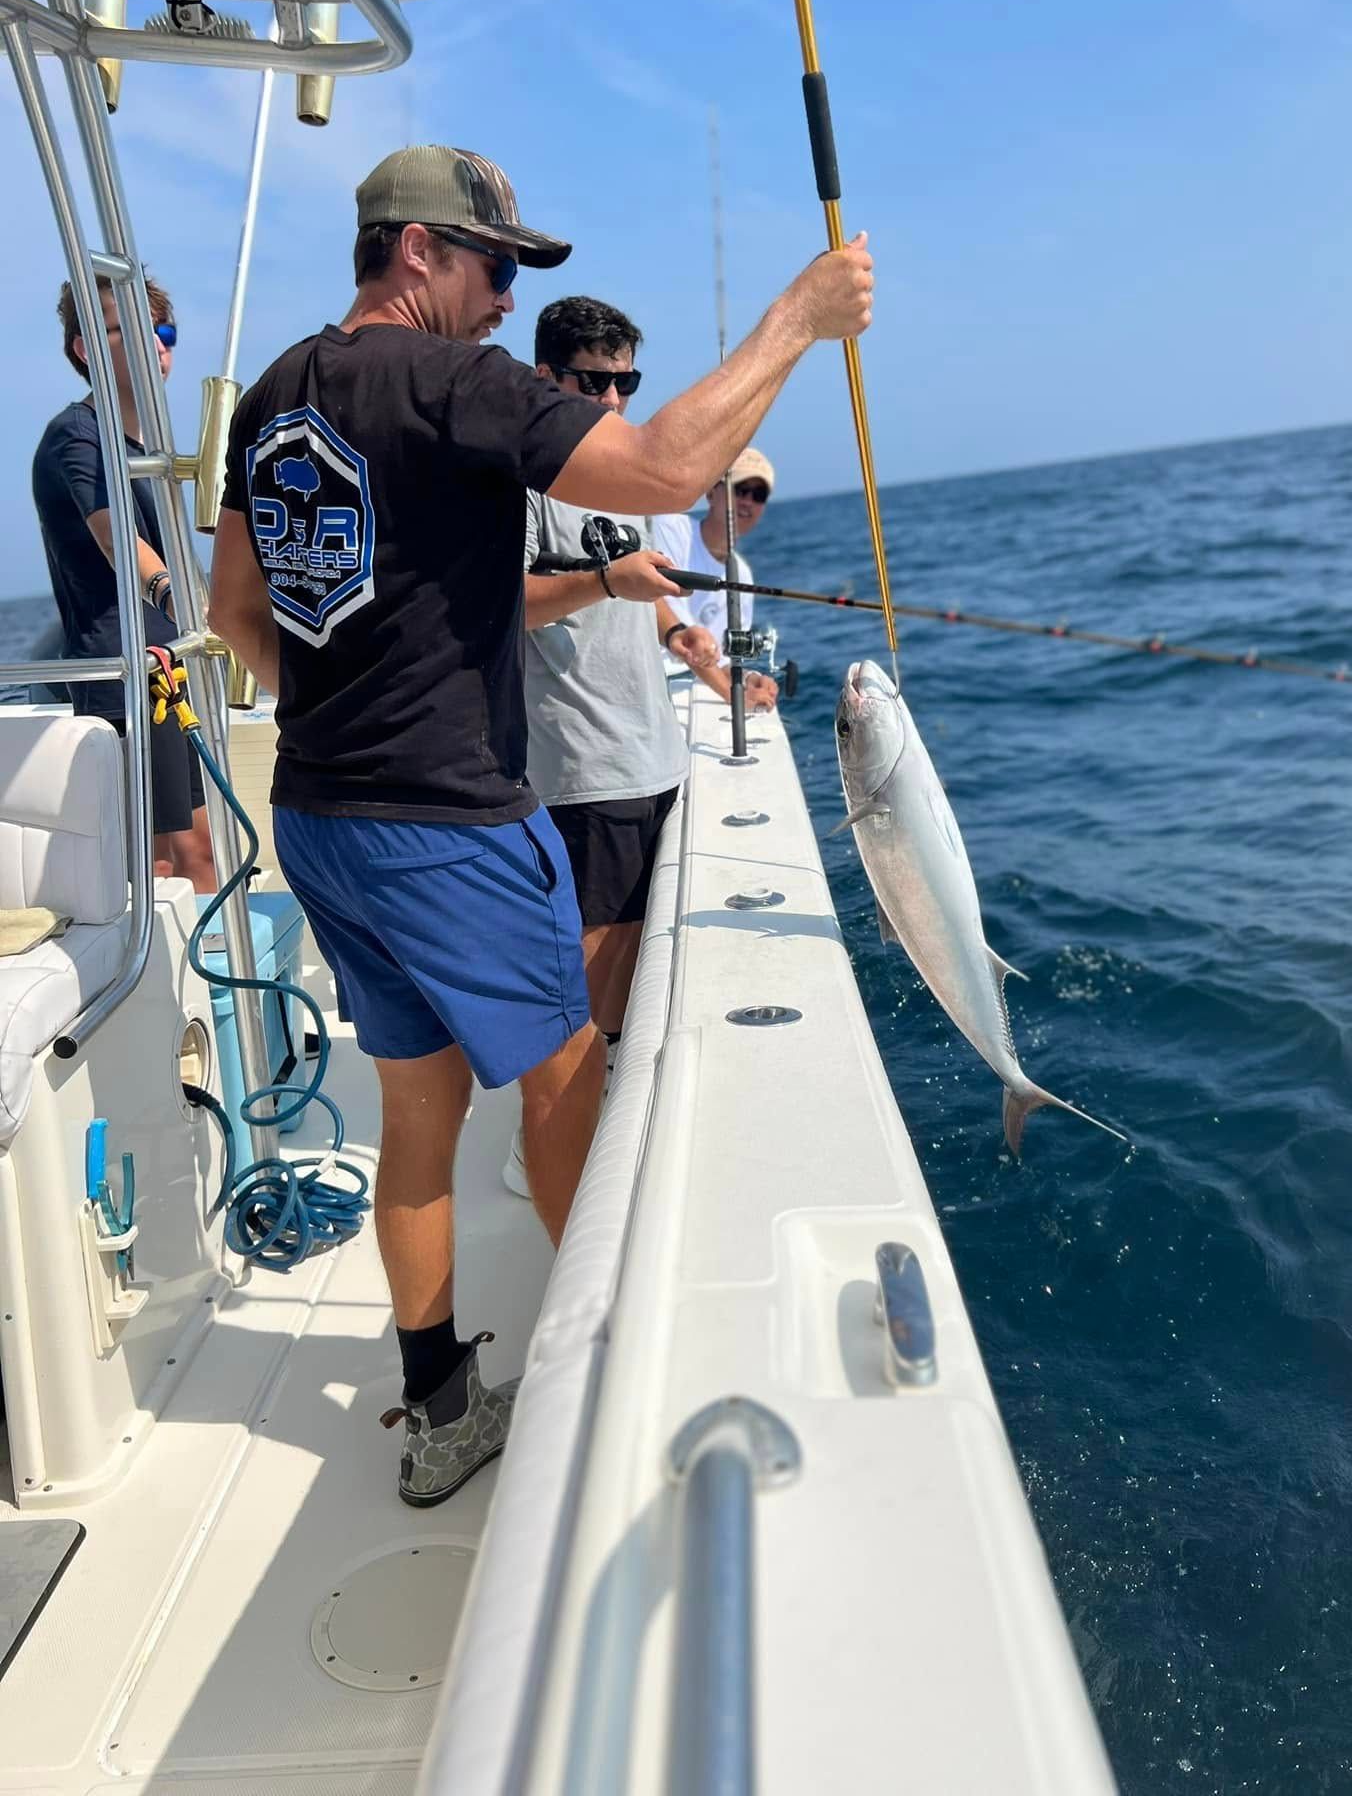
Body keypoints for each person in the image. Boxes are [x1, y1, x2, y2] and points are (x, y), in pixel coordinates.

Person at [206, 144, 873, 1504]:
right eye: (495, 266)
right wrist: (797, 323)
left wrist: (344, 710)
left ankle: (443, 1406)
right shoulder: (451, 383)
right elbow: (655, 470)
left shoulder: (275, 394)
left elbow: (231, 614)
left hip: (321, 817)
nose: (508, 300)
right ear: (417, 254)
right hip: (448, 821)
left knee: (415, 1115)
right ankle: (614, 1380)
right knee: (572, 1081)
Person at [505, 296, 714, 1200]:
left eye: (628, 382)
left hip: (653, 756)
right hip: (582, 769)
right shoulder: (515, 478)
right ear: (546, 376)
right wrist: (604, 581)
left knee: (635, 977)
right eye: (596, 382)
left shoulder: (607, 476)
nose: (617, 402)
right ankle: (552, 1161)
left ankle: (609, 1152)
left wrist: (681, 637)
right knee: (587, 997)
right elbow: (502, 603)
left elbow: (631, 582)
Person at [32, 275, 217, 890]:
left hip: (169, 667)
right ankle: (168, 986)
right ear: (85, 348)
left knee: (201, 855)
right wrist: (183, 602)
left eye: (163, 334)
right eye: (131, 331)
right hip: (128, 678)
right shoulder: (77, 437)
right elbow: (116, 540)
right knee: (162, 864)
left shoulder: (144, 449)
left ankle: (210, 985)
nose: (156, 346)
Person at [652, 451, 779, 711]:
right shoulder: (671, 529)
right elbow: (680, 634)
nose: (747, 502)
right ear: (711, 492)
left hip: (697, 689)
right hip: (652, 683)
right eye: (740, 489)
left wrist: (748, 678)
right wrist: (733, 697)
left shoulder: (741, 573)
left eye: (758, 496)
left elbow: (721, 658)